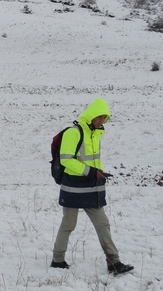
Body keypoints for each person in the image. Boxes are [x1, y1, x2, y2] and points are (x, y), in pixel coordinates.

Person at [51, 98, 134, 274]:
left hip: (92, 186)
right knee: (68, 224)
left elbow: (91, 160)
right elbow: (66, 160)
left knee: (103, 224)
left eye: (105, 118)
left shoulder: (96, 135)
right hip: (73, 186)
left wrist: (99, 173)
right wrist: (90, 172)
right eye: (99, 117)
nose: (101, 121)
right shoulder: (74, 132)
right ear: (91, 115)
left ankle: (114, 263)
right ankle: (57, 260)